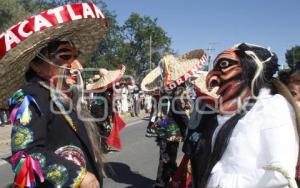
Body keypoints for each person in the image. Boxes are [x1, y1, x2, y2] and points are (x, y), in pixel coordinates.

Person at [0, 3, 108, 187]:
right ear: (36, 64)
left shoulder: (64, 97)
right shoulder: (30, 96)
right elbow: (24, 155)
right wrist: (78, 176)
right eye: (65, 57)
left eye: (76, 57)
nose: (78, 67)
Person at [186, 43, 300, 188]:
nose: (211, 79)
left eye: (224, 64)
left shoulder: (274, 106)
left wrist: (223, 183)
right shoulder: (237, 112)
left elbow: (281, 173)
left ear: (251, 69)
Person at [141, 49, 208, 187]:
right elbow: (183, 113)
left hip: (164, 126)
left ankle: (165, 180)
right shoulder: (179, 90)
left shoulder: (165, 89)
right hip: (172, 129)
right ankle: (163, 183)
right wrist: (191, 130)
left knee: (166, 158)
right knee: (168, 158)